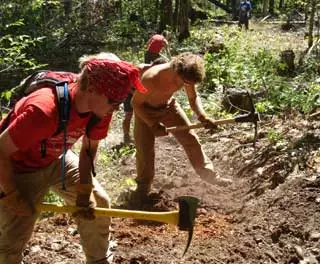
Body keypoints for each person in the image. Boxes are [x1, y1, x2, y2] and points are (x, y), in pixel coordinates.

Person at [0, 52, 147, 264]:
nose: (116, 107)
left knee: (99, 203)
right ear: (93, 89)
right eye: (114, 101)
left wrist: (84, 191)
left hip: (55, 157)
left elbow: (88, 149)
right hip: (17, 168)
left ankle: (98, 261)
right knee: (13, 236)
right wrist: (11, 195)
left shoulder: (100, 110)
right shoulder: (43, 111)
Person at [132, 52, 232, 203]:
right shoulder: (151, 78)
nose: (185, 86)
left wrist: (202, 116)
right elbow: (135, 104)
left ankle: (210, 176)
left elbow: (193, 98)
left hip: (168, 106)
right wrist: (152, 124)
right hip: (145, 111)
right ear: (175, 70)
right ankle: (143, 189)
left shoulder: (186, 76)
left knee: (190, 138)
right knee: (145, 150)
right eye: (184, 82)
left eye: (189, 83)